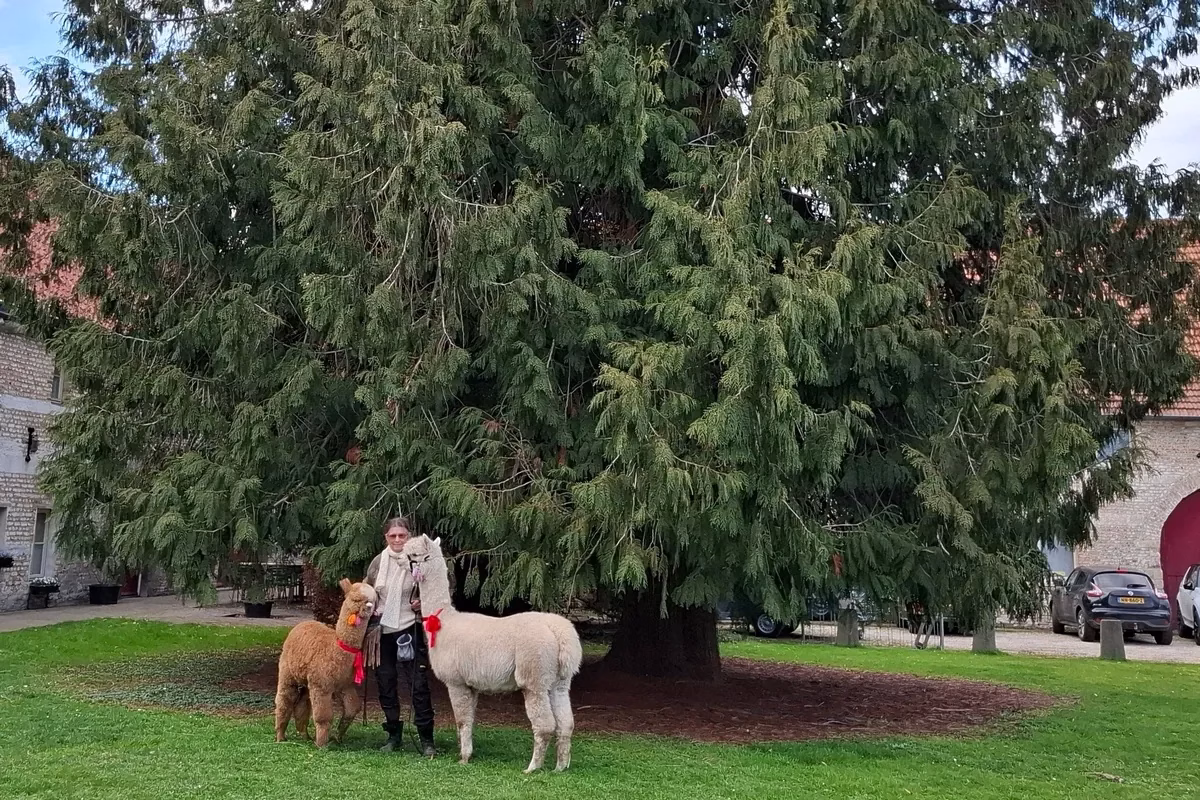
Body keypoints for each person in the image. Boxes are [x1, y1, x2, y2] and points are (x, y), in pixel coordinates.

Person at [364, 515, 436, 755]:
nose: (397, 539)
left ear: (409, 536)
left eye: (401, 535)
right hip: (382, 629)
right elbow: (368, 590)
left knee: (418, 684)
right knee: (386, 682)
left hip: (410, 626)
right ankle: (393, 735)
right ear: (386, 537)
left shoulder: (419, 558)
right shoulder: (377, 563)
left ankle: (427, 740)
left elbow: (439, 587)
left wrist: (423, 601)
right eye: (392, 535)